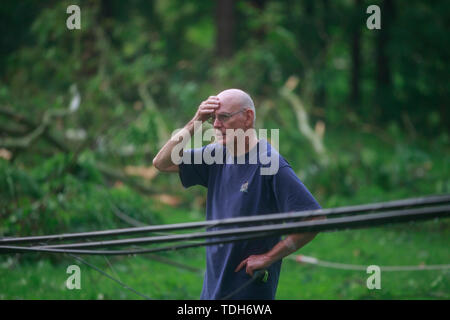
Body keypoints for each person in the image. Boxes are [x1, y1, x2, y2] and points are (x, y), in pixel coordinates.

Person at [153, 88, 322, 299]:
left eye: (223, 117)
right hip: (212, 289)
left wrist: (268, 258)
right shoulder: (216, 154)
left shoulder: (269, 162)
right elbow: (161, 162)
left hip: (247, 289)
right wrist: (197, 120)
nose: (215, 125)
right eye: (212, 119)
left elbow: (314, 217)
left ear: (248, 117)